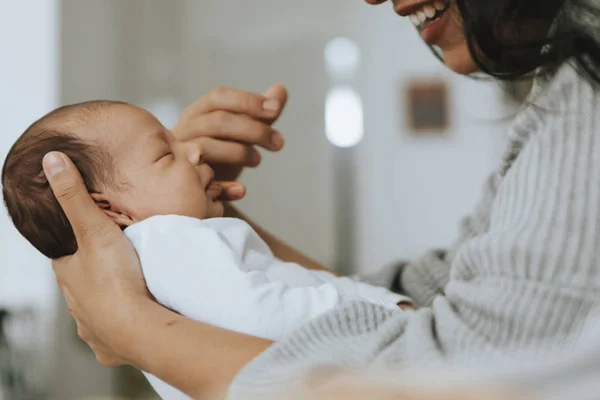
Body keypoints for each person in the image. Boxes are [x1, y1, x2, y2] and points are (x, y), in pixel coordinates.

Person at [43, 0, 600, 398]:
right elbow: (423, 299)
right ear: (111, 206)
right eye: (163, 154)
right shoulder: (560, 92)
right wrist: (214, 210)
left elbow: (451, 368)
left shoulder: (584, 88)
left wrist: (132, 330)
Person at [2, 100, 411, 399]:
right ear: (112, 211)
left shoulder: (156, 256)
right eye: (166, 153)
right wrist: (378, 312)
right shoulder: (166, 240)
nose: (194, 149)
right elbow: (260, 318)